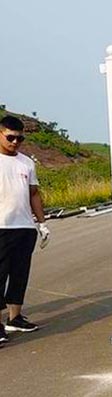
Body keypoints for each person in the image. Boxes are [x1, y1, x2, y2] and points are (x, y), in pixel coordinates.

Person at [0, 115, 49, 344]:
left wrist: (42, 223)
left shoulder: (26, 162)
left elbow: (34, 194)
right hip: (2, 226)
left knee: (20, 273)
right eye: (10, 137)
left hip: (24, 226)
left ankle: (15, 317)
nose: (15, 142)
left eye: (20, 138)